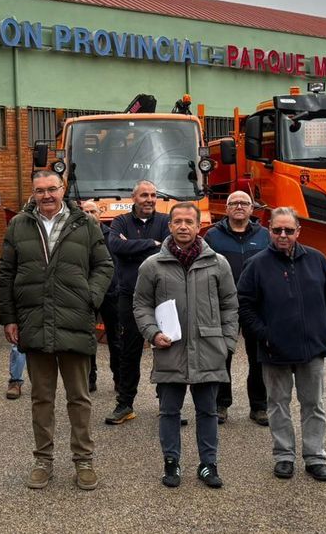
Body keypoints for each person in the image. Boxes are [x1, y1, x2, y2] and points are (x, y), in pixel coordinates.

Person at [0, 170, 114, 490]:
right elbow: (6, 274)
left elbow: (104, 265)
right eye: (40, 190)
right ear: (33, 193)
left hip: (74, 320)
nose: (47, 196)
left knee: (79, 397)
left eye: (52, 189)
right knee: (41, 398)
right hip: (34, 321)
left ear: (63, 190)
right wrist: (8, 317)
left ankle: (84, 460)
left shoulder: (85, 224)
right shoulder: (19, 225)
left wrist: (89, 297)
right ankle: (43, 460)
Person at [134, 202, 238, 489]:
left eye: (188, 222)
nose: (183, 226)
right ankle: (171, 462)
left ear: (198, 225)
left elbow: (230, 306)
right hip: (170, 350)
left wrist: (227, 343)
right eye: (177, 221)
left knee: (208, 411)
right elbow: (141, 304)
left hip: (209, 349)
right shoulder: (152, 265)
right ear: (169, 226)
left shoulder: (218, 263)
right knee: (169, 411)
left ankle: (208, 463)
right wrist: (152, 333)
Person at [237, 207, 326, 482]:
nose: (283, 235)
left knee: (314, 404)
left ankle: (315, 456)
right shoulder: (257, 264)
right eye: (277, 230)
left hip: (312, 349)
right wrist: (265, 335)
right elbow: (245, 304)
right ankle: (284, 456)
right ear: (269, 230)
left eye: (288, 230)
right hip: (274, 350)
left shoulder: (317, 260)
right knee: (278, 404)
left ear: (298, 231)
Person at [202, 190, 270, 425]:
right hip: (223, 304)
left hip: (256, 305)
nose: (239, 206)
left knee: (259, 357)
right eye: (234, 203)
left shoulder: (265, 236)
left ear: (252, 209)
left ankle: (259, 406)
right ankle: (221, 404)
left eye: (244, 203)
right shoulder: (212, 236)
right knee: (222, 355)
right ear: (226, 208)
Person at [105, 180, 169, 425]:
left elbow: (167, 250)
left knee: (165, 349)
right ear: (134, 197)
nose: (149, 199)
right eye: (144, 195)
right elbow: (116, 246)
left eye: (153, 195)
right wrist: (151, 244)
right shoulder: (120, 222)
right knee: (128, 351)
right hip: (129, 296)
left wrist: (133, 248)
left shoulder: (165, 221)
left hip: (161, 297)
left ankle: (167, 404)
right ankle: (125, 404)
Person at [80, 200, 113, 394]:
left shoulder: (112, 235)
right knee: (88, 338)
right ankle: (90, 378)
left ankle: (118, 378)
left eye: (93, 211)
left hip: (109, 294)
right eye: (86, 211)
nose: (90, 214)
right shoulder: (77, 236)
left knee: (115, 340)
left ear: (100, 213)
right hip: (88, 294)